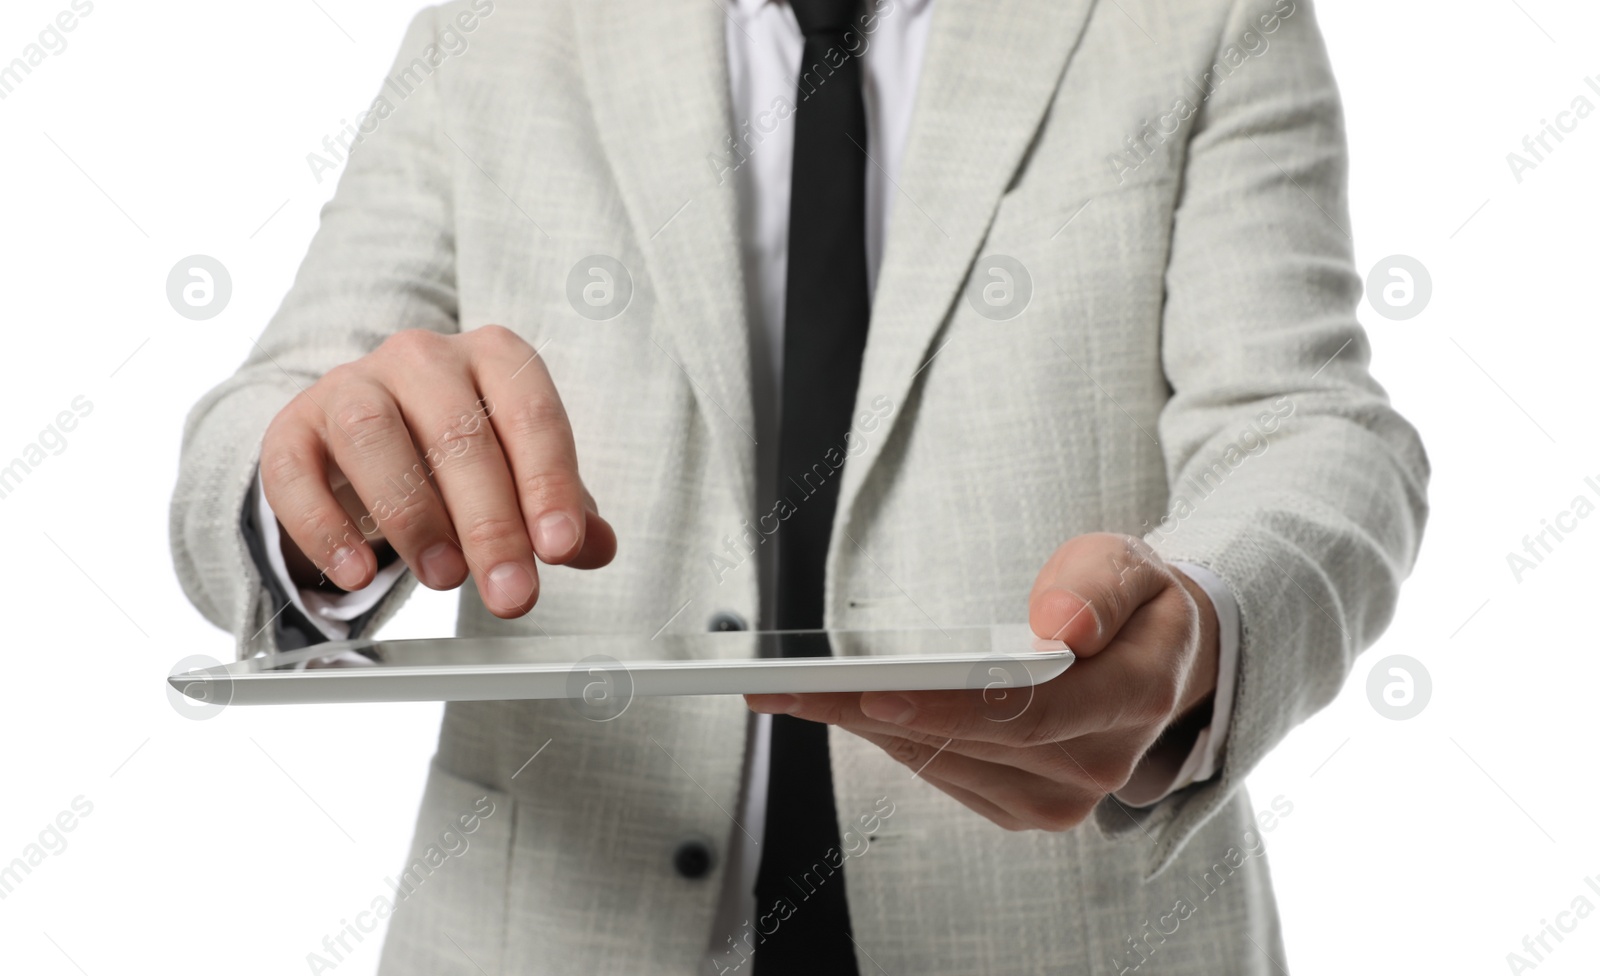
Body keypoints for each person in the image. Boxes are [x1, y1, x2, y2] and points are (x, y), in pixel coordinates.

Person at [170, 0, 1428, 972]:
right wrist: (330, 473)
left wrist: (1203, 622)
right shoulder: (498, 22)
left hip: (1075, 929)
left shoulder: (1199, 19)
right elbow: (263, 419)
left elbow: (1309, 422)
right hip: (545, 921)